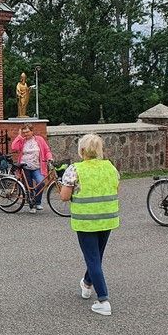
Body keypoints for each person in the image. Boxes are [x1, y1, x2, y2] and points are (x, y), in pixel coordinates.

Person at [60, 133, 120, 316]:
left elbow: (64, 196)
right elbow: (117, 188)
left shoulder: (75, 169)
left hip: (86, 219)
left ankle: (103, 299)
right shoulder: (110, 167)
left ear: (82, 150)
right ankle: (87, 284)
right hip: (107, 217)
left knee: (92, 258)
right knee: (96, 256)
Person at [9, 123, 53, 212]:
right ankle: (31, 205)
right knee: (28, 187)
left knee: (41, 183)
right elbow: (13, 147)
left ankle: (37, 202)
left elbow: (46, 150)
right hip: (25, 167)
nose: (26, 134)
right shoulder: (22, 140)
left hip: (37, 167)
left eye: (28, 132)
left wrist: (49, 157)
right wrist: (19, 136)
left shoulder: (39, 140)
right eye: (24, 132)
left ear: (32, 131)